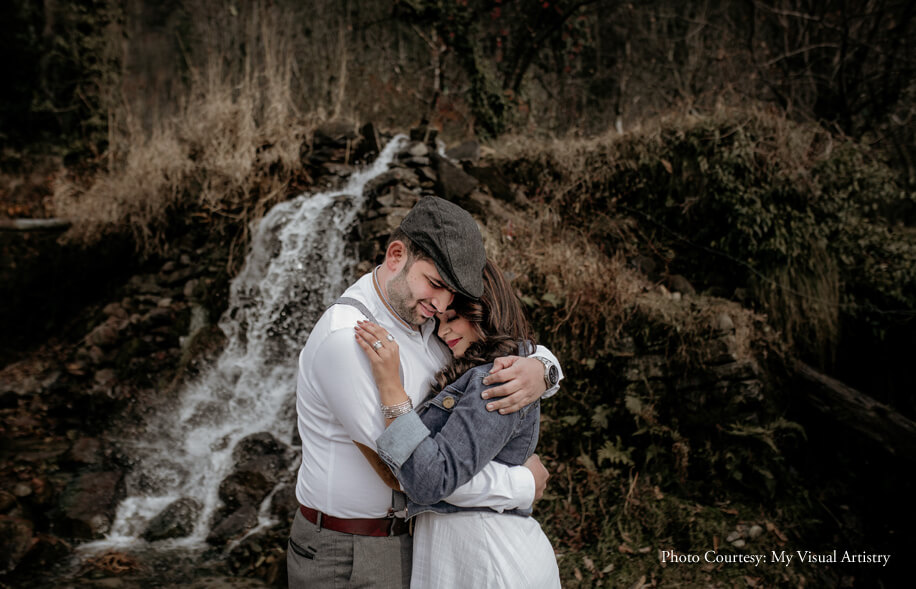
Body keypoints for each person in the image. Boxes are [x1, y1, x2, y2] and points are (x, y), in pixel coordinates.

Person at [289, 196, 563, 588]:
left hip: (414, 538)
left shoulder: (429, 322)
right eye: (435, 284)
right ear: (396, 255)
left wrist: (543, 368)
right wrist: (519, 485)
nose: (441, 304)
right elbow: (401, 471)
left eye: (451, 295)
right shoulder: (350, 340)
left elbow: (495, 346)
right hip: (350, 549)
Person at [354, 259, 562, 588]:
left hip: (489, 562)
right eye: (438, 320)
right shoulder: (472, 366)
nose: (441, 331)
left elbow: (430, 479)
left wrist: (391, 387)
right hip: (464, 556)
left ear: (486, 311)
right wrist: (545, 367)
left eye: (452, 318)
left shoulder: (498, 379)